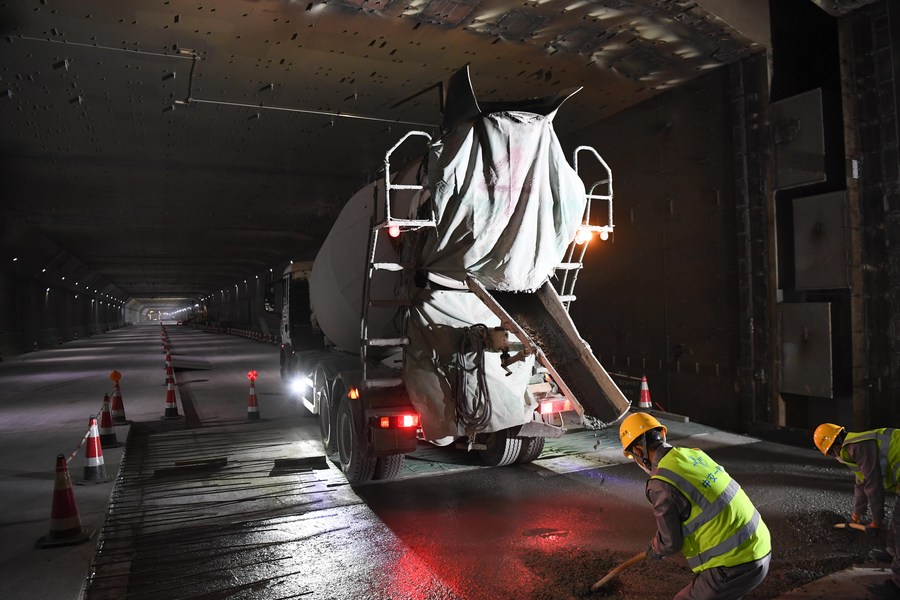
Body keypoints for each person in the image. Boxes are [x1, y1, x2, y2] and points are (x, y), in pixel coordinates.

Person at [619, 412, 771, 599]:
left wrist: (656, 548)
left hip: (734, 564)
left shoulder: (660, 482)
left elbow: (670, 542)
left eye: (633, 456)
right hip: (759, 546)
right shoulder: (694, 454)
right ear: (662, 434)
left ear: (638, 451)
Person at [813, 423, 900, 599]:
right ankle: (891, 551)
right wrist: (856, 515)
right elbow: (860, 483)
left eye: (830, 454)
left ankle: (897, 585)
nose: (833, 457)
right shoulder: (852, 447)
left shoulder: (858, 448)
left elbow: (873, 485)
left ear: (833, 448)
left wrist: (876, 521)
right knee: (897, 519)